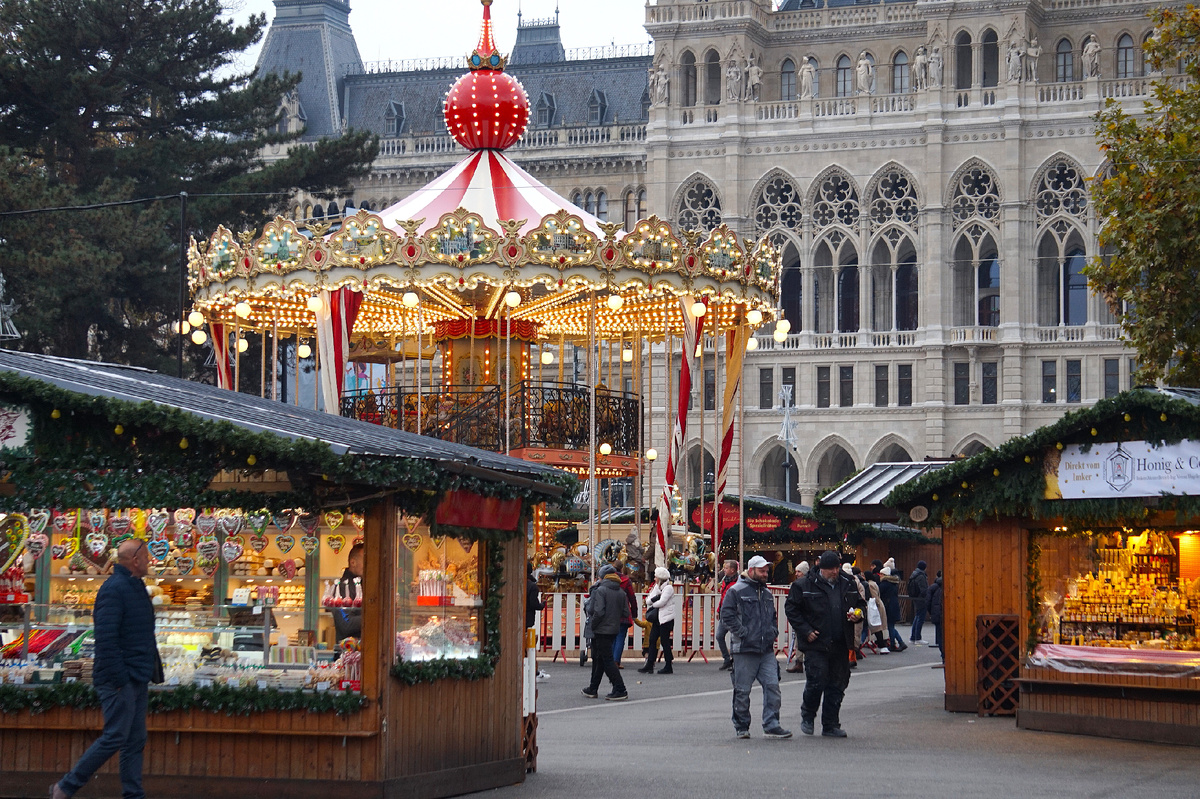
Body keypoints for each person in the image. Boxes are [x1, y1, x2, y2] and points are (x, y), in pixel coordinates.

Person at [52, 539, 162, 799]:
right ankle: (65, 787)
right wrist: (120, 679)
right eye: (146, 556)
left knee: (135, 741)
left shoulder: (135, 586)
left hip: (137, 675)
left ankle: (133, 795)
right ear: (135, 560)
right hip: (120, 678)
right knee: (114, 736)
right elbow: (106, 638)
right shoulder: (114, 589)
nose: (149, 561)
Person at [785, 551, 865, 738]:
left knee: (838, 684)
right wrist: (805, 630)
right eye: (830, 569)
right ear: (821, 568)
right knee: (816, 680)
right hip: (816, 643)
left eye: (837, 568)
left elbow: (861, 604)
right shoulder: (803, 585)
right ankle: (808, 714)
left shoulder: (848, 583)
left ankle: (830, 724)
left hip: (840, 642)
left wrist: (858, 614)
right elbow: (791, 609)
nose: (835, 572)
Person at [721, 555, 791, 739]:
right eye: (762, 570)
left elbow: (772, 617)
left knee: (773, 686)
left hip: (764, 648)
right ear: (751, 570)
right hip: (745, 648)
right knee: (743, 690)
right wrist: (743, 633)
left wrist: (772, 632)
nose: (766, 573)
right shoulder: (736, 591)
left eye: (767, 570)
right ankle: (742, 726)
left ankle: (771, 724)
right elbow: (726, 615)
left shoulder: (766, 593)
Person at [581, 565, 629, 700]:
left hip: (601, 628)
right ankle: (593, 687)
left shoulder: (601, 590)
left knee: (605, 660)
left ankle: (620, 688)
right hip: (613, 628)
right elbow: (625, 612)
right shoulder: (621, 592)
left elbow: (596, 611)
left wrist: (594, 624)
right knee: (600, 659)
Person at [638, 566, 676, 674]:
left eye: (656, 577)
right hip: (658, 618)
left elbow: (662, 602)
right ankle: (650, 663)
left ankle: (668, 664)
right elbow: (648, 600)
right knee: (652, 640)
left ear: (660, 578)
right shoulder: (657, 587)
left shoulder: (668, 588)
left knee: (665, 641)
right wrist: (655, 599)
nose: (654, 579)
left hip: (666, 619)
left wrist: (654, 601)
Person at [332, 543, 364, 643]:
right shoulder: (342, 588)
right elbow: (345, 623)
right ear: (353, 562)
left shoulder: (366, 585)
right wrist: (375, 616)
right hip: (347, 652)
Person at [876, 558, 906, 651]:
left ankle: (894, 643)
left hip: (889, 606)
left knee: (890, 626)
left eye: (881, 574)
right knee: (891, 626)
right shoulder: (893, 583)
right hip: (894, 605)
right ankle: (899, 642)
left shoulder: (884, 584)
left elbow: (879, 593)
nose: (880, 576)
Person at [715, 559, 740, 670]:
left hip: (733, 613)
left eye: (726, 568)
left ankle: (734, 661)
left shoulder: (738, 583)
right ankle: (727, 659)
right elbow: (723, 597)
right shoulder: (726, 580)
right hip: (724, 612)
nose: (724, 570)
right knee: (719, 636)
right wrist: (718, 610)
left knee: (733, 638)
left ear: (732, 570)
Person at [785, 561, 809, 673]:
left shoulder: (806, 584)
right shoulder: (799, 584)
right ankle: (799, 662)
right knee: (798, 640)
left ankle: (802, 662)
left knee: (802, 639)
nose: (797, 574)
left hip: (805, 616)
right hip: (800, 615)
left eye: (799, 571)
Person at [613, 563, 637, 668]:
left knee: (611, 637)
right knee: (620, 637)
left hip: (610, 612)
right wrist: (634, 613)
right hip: (623, 611)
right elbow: (632, 597)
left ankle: (609, 661)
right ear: (622, 568)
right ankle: (616, 660)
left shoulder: (607, 579)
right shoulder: (626, 580)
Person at [908, 560, 930, 644]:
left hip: (915, 598)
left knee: (917, 617)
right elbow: (924, 590)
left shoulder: (914, 574)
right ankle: (918, 637)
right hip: (921, 599)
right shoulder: (921, 576)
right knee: (920, 618)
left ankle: (913, 637)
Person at [927, 570, 945, 662]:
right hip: (947, 615)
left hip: (937, 614)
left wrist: (931, 613)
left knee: (940, 635)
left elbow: (928, 602)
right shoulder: (948, 585)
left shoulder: (933, 587)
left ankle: (943, 656)